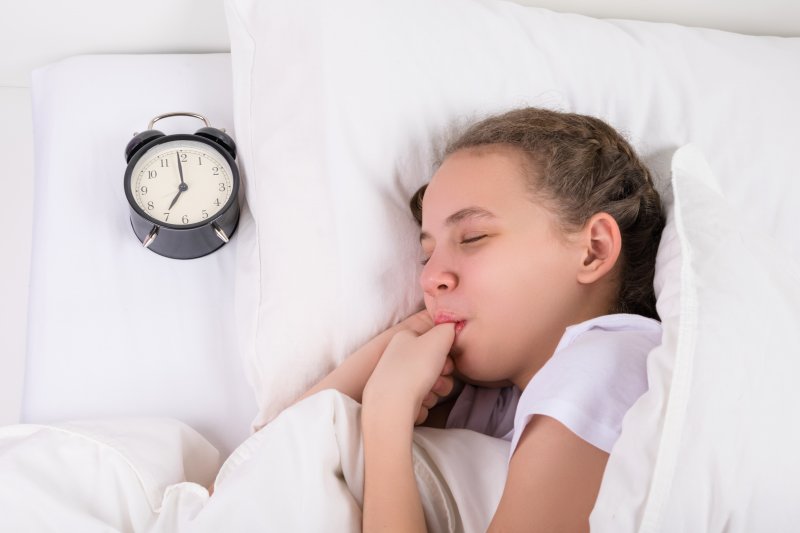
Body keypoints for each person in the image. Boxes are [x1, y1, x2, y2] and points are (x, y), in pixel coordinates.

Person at [301, 107, 665, 532]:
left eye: (473, 238)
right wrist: (399, 342)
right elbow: (250, 481)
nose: (430, 276)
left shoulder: (607, 360)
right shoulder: (492, 403)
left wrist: (386, 416)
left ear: (594, 250)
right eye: (426, 253)